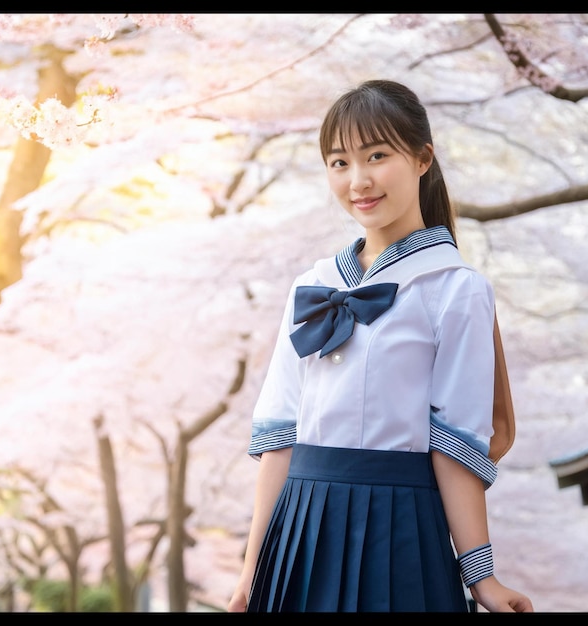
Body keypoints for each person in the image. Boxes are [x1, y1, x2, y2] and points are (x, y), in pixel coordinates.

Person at [227, 79, 533, 613]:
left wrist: (482, 577)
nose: (358, 180)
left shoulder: (457, 290)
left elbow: (456, 443)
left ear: (422, 158)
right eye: (339, 162)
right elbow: (280, 437)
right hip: (297, 530)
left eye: (377, 155)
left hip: (398, 528)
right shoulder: (311, 285)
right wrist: (253, 571)